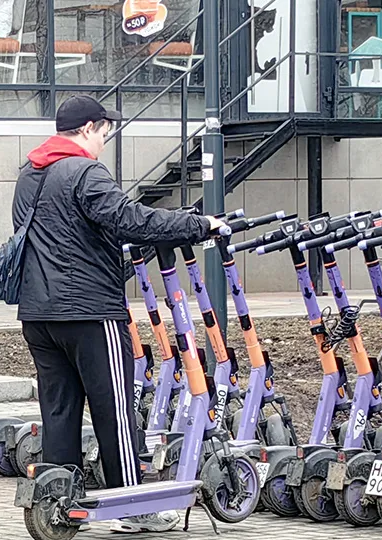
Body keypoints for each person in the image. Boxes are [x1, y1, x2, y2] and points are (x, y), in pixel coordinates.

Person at [13, 95, 225, 533]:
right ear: (89, 129)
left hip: (38, 312)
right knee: (115, 410)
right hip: (90, 311)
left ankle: (59, 504)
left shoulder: (29, 175)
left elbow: (64, 238)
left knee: (59, 411)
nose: (105, 141)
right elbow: (129, 220)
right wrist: (199, 224)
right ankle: (133, 507)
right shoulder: (84, 172)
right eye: (105, 132)